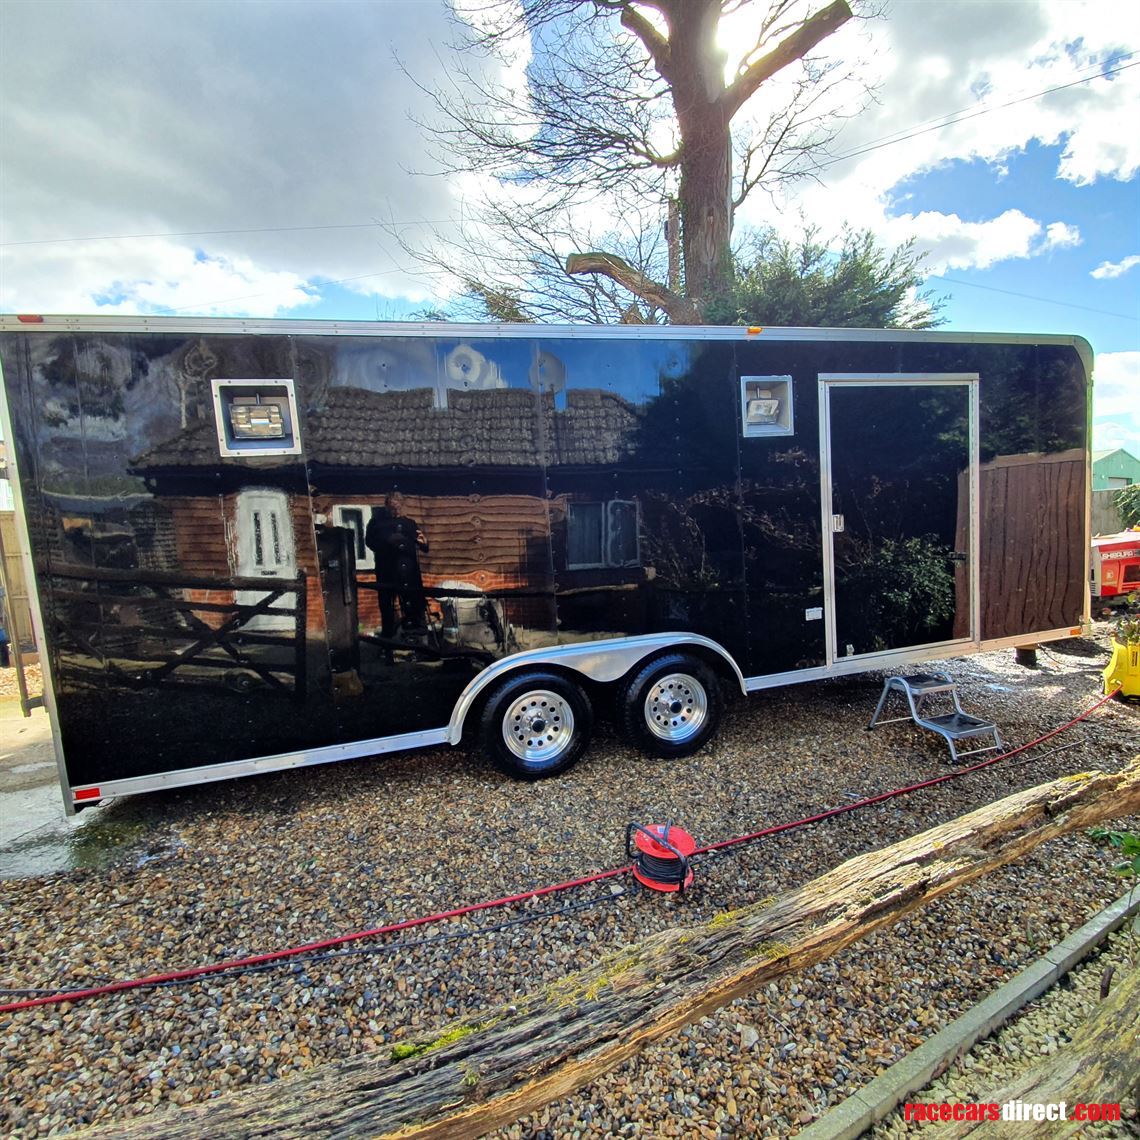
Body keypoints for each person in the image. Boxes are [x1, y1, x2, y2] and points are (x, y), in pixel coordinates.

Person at [364, 498, 429, 640]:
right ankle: (388, 645)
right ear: (387, 506)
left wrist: (424, 543)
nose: (396, 509)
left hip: (409, 573)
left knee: (414, 605)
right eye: (393, 507)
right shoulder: (376, 524)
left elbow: (423, 546)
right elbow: (370, 542)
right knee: (387, 608)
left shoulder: (410, 523)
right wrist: (387, 541)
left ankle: (416, 640)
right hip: (387, 572)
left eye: (398, 506)